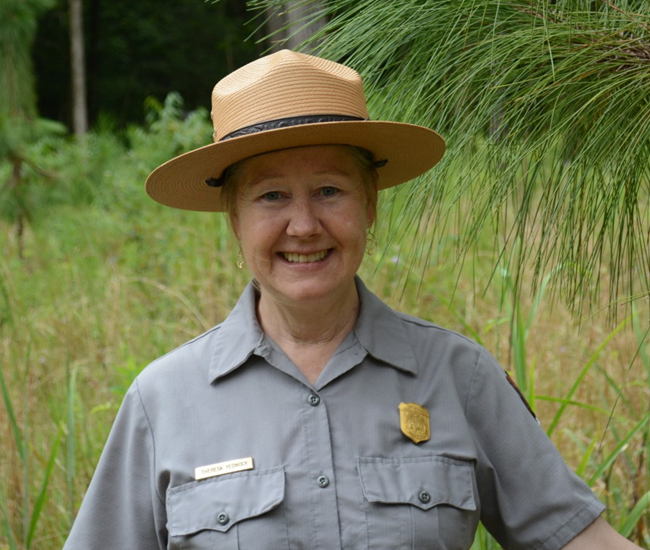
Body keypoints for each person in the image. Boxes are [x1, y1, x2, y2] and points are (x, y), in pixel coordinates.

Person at [63, 50, 642, 550]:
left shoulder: (458, 378)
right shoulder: (163, 401)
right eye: (271, 196)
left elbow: (575, 537)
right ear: (233, 220)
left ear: (369, 206)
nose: (303, 224)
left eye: (329, 190)